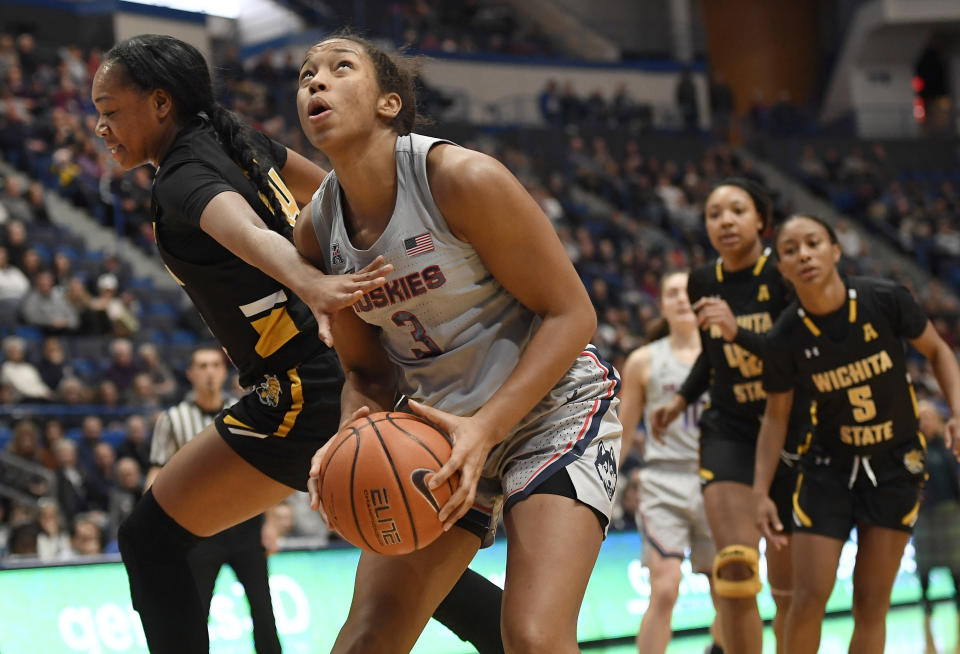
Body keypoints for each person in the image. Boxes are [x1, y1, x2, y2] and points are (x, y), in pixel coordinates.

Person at [91, 34, 503, 654]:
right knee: (400, 545)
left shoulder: (181, 176)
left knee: (150, 539)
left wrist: (310, 280)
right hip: (344, 366)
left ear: (159, 102)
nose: (100, 127)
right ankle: (523, 641)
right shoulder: (240, 139)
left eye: (110, 109)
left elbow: (245, 229)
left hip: (304, 388)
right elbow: (340, 195)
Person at [294, 33, 622, 654]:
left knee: (532, 637)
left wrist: (488, 428)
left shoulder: (461, 178)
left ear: (389, 104)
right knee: (366, 640)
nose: (316, 81)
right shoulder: (317, 232)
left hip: (547, 412)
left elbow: (571, 314)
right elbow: (367, 376)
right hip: (437, 434)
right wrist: (347, 441)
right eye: (306, 74)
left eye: (340, 68)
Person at [753, 214, 960, 654]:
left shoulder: (884, 299)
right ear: (782, 268)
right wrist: (760, 490)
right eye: (791, 250)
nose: (804, 254)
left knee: (871, 605)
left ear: (835, 250)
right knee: (808, 599)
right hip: (829, 467)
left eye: (813, 243)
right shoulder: (783, 337)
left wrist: (957, 410)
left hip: (895, 466)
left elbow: (939, 351)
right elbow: (775, 417)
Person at [651, 179, 805, 654]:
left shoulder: (783, 277)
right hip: (729, 429)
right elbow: (714, 351)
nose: (725, 221)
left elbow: (796, 358)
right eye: (715, 213)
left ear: (761, 220)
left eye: (737, 210)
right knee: (735, 570)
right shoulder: (702, 280)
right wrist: (683, 399)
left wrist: (739, 333)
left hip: (791, 431)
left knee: (789, 589)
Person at [147, 346, 282, 654]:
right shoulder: (172, 419)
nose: (209, 372)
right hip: (199, 530)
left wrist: (271, 523)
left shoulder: (247, 410)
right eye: (202, 366)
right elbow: (156, 472)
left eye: (214, 365)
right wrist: (151, 523)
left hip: (246, 524)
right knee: (195, 612)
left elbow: (265, 471)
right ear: (190, 374)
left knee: (263, 609)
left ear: (224, 371)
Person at [618, 270, 722, 654]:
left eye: (688, 292)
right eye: (672, 292)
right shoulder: (644, 360)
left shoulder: (725, 353)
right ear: (661, 304)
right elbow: (625, 429)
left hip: (718, 481)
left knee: (728, 592)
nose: (681, 298)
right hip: (663, 481)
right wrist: (608, 487)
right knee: (664, 590)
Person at [913, 400, 960, 652]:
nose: (926, 421)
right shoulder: (912, 449)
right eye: (922, 417)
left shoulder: (948, 445)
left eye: (930, 417)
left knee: (957, 566)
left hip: (950, 512)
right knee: (924, 568)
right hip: (924, 515)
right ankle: (926, 607)